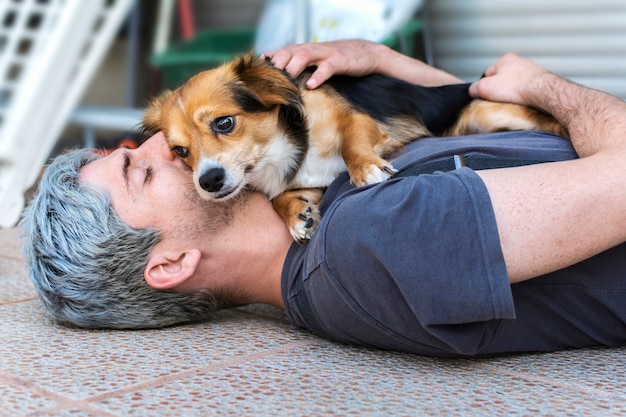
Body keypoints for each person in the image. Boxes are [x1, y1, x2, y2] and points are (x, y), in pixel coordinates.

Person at [21, 40, 626, 357]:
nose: (166, 146)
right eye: (142, 172)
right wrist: (543, 83)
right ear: (171, 263)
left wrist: (384, 66)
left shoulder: (332, 207)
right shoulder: (369, 241)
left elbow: (458, 122)